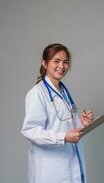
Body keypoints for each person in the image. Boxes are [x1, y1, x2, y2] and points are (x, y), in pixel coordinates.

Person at [21, 43, 94, 183]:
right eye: (56, 61)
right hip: (50, 170)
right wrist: (63, 137)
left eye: (65, 62)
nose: (62, 66)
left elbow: (63, 124)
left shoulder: (63, 92)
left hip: (70, 164)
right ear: (44, 63)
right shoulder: (37, 93)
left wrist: (82, 123)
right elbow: (30, 130)